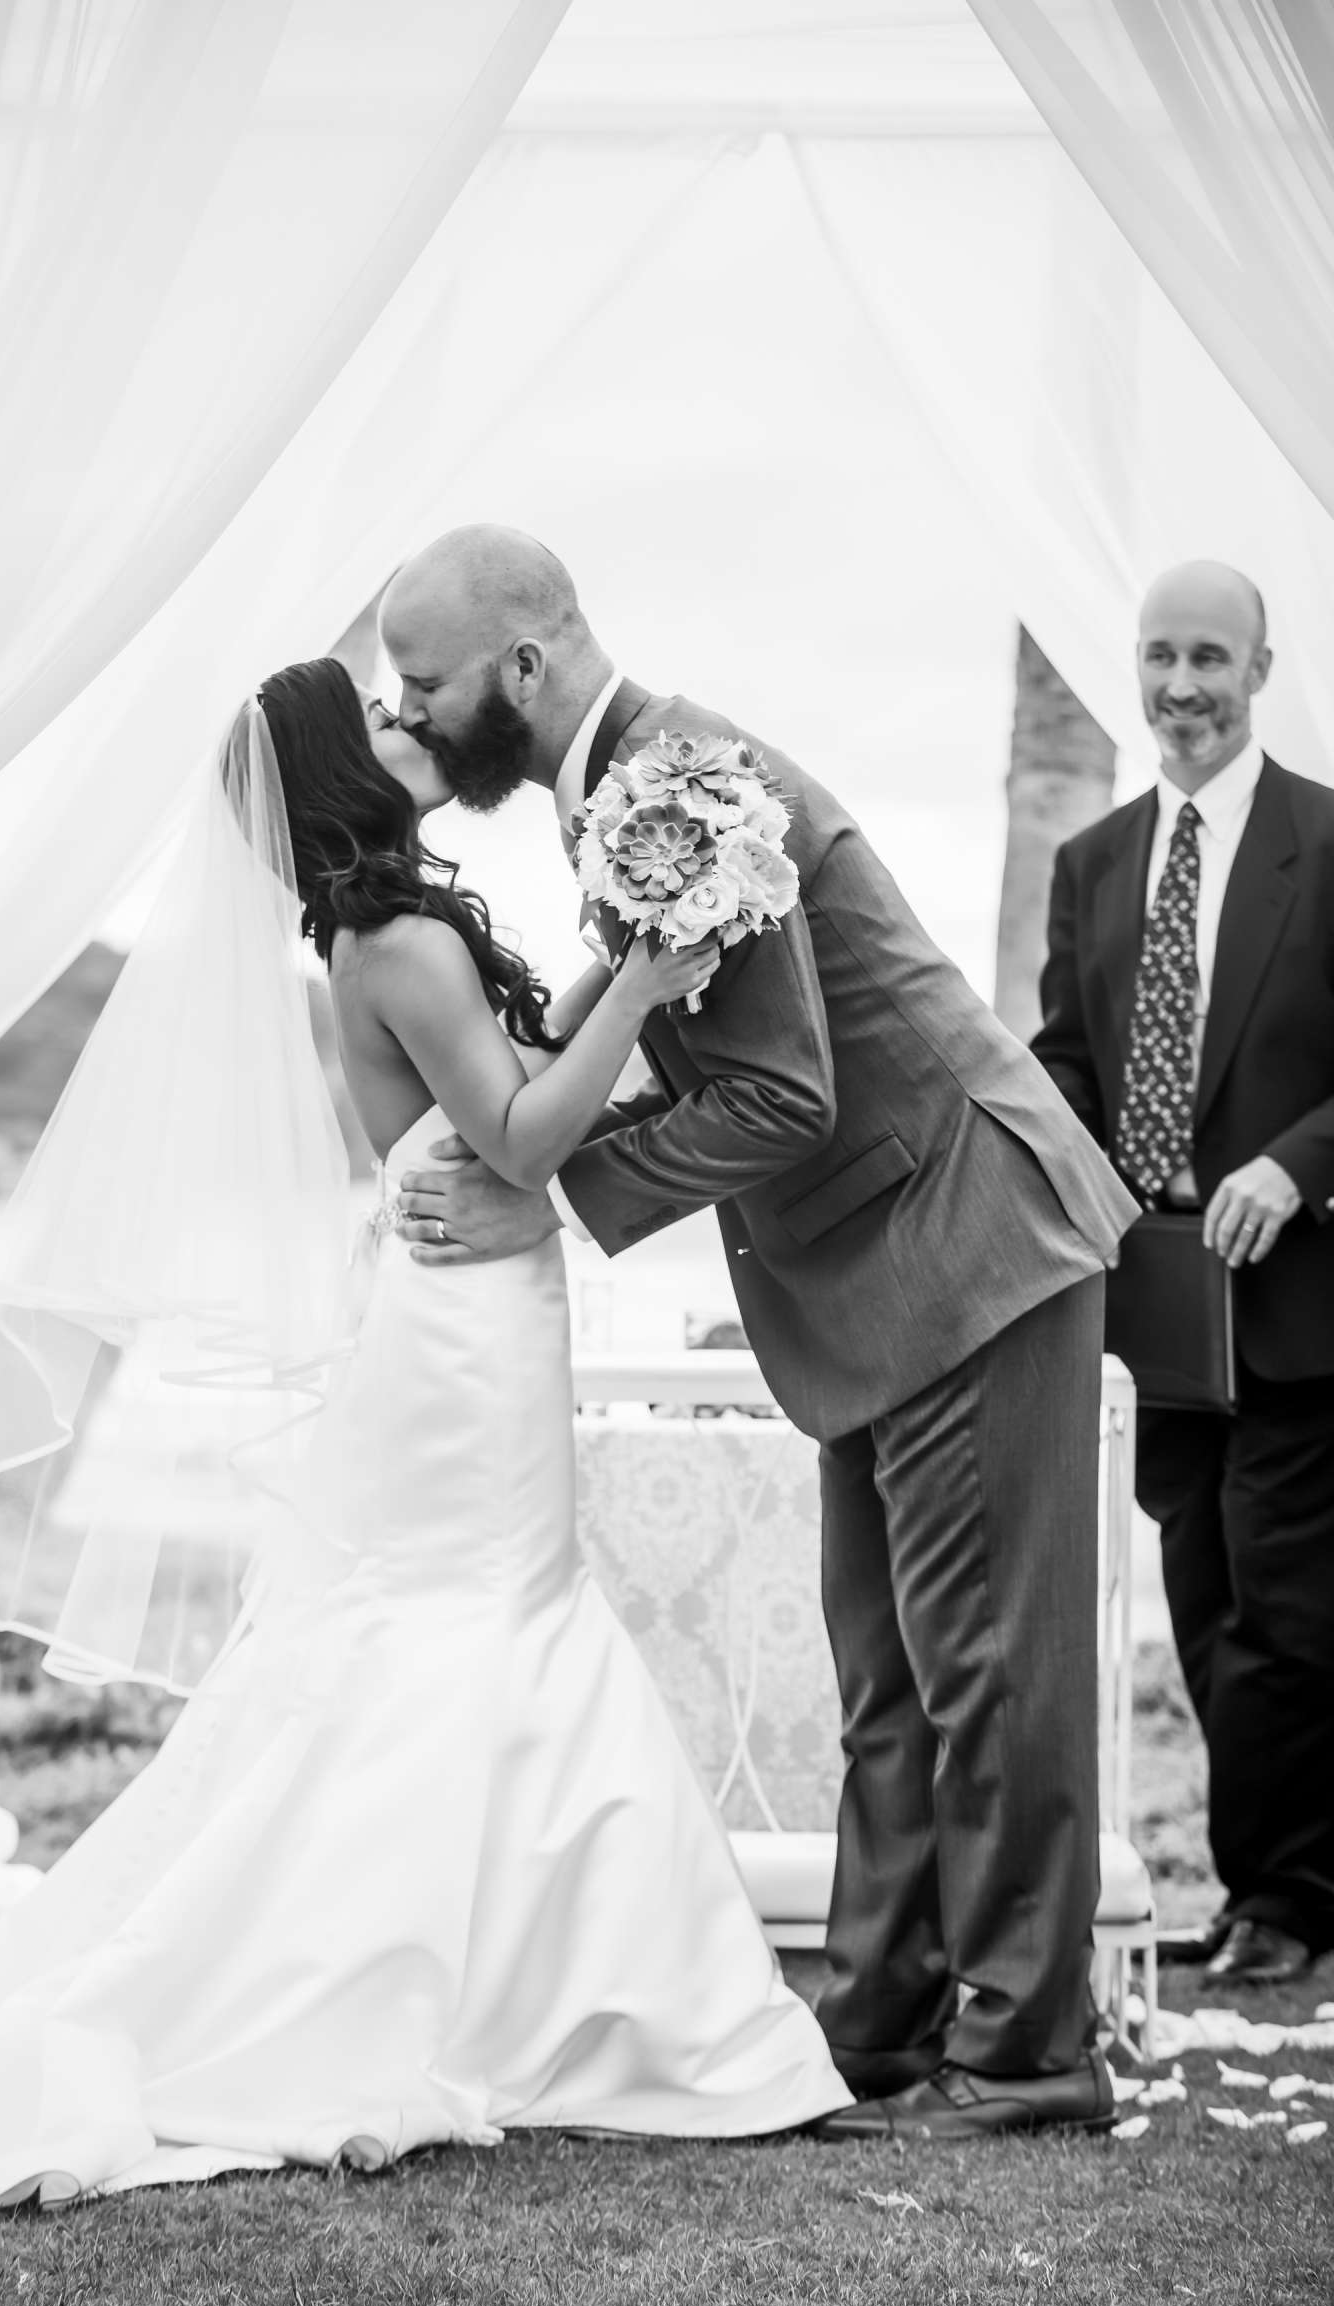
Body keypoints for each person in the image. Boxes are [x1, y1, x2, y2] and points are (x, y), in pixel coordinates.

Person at [0, 658, 853, 2225]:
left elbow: (511, 1095)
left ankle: (533, 1992)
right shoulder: (392, 940)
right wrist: (658, 999)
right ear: (342, 767)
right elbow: (527, 1139)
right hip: (464, 1330)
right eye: (387, 719)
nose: (416, 725)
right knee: (474, 1628)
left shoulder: (377, 932)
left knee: (478, 1628)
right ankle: (519, 1998)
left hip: (467, 1308)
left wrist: (637, 947)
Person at [381, 525, 1140, 2141]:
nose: (414, 712)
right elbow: (686, 1034)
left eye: (427, 681)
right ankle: (874, 2025)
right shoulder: (631, 789)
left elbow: (784, 1092)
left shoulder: (680, 779)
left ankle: (1027, 2059)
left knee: (989, 1676)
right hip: (885, 1266)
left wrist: (561, 1198)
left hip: (969, 1239)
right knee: (887, 1674)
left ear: (525, 666)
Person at [1033, 560, 1334, 1986]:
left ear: (1260, 670)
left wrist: (1299, 1161)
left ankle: (1286, 1899)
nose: (1181, 688)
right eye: (1160, 657)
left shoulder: (1328, 843)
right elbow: (1066, 1071)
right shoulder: (1090, 866)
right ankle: (1274, 1885)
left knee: (1286, 1605)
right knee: (1207, 1601)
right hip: (1152, 1311)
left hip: (1296, 1297)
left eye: (1210, 657)